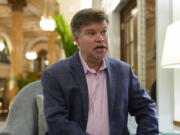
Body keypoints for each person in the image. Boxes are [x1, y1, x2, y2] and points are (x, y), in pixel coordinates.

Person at [41, 8, 158, 135]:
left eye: (103, 32)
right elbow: (57, 122)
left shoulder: (123, 71)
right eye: (91, 33)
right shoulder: (55, 74)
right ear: (76, 39)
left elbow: (147, 108)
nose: (100, 39)